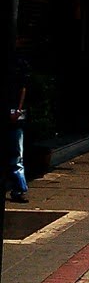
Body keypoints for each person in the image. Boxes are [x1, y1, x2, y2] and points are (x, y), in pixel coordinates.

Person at [8, 50, 31, 203]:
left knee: (16, 154)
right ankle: (18, 188)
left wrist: (17, 110)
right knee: (16, 154)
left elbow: (23, 88)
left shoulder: (17, 63)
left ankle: (18, 188)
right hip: (14, 113)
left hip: (14, 113)